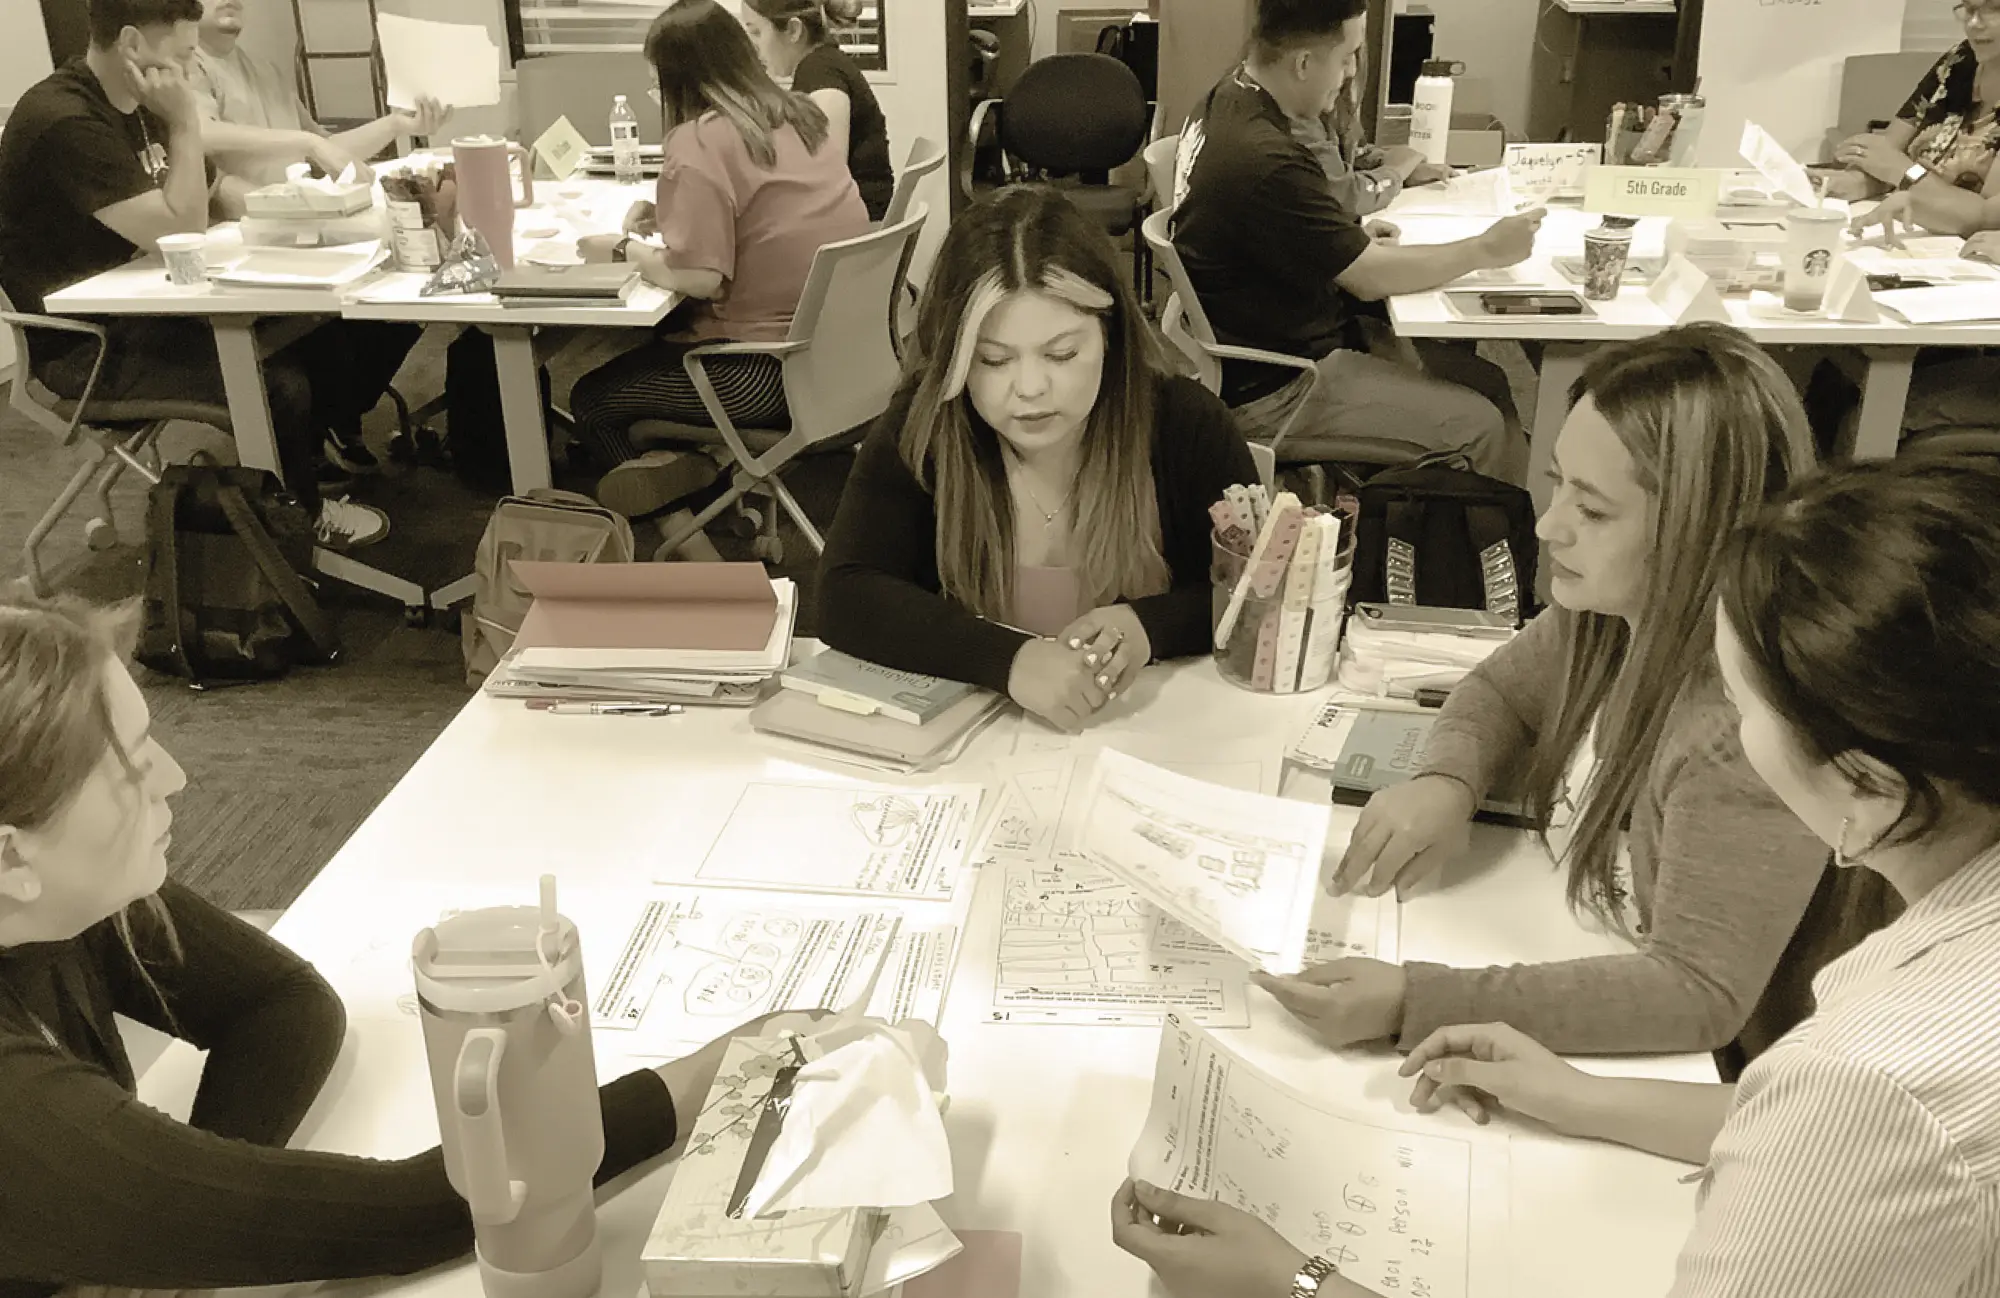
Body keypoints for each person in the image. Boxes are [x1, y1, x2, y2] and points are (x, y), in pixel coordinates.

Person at [1116, 452, 2000, 1297]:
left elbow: (1843, 1122)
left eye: (1742, 702)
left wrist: (1300, 1284)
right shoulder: (1929, 961)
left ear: (1868, 791)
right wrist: (1583, 1097)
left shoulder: (1875, 1076)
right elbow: (1800, 1129)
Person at [0, 590, 816, 1295]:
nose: (175, 777)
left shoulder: (56, 902)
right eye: (133, 769)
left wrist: (178, 1227)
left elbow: (280, 1007)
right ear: (13, 853)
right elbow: (422, 1210)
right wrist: (708, 1075)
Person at [1257, 325, 1834, 1067]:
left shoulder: (1742, 727)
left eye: (1593, 511)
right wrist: (1446, 780)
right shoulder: (1609, 612)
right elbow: (1501, 689)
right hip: (1589, 940)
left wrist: (1415, 1000)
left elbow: (1695, 995)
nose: (1547, 525)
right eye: (1558, 482)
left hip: (1748, 1081)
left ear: (1701, 530)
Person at [816, 186, 1259, 733]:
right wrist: (1008, 659)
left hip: (1158, 736)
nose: (1030, 388)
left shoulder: (1183, 424)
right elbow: (845, 594)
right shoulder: (927, 428)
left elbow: (1253, 594)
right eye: (993, 360)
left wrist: (1150, 626)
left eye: (1062, 354)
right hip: (981, 751)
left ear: (1111, 337)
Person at [0, 0, 386, 547]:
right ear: (133, 44)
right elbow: (175, 225)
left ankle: (283, 486)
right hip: (86, 347)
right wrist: (184, 121)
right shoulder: (67, 120)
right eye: (183, 56)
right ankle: (296, 523)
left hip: (149, 305)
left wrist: (295, 210)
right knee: (278, 383)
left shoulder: (138, 102)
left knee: (322, 337)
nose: (189, 72)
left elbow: (203, 197)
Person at [1171, 0, 1540, 483]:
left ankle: (1473, 525)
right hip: (1281, 384)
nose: (1348, 74)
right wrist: (1484, 250)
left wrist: (1334, 235)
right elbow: (1369, 279)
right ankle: (1481, 546)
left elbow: (1269, 226)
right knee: (1482, 427)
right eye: (1346, 57)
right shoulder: (1266, 157)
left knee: (1488, 382)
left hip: (1268, 339)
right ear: (1304, 63)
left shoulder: (1228, 96)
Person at [567, 0, 870, 520]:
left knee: (593, 399)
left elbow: (700, 278)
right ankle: (699, 469)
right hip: (844, 358)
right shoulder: (800, 116)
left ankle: (691, 526)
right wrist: (669, 217)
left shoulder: (699, 141)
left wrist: (623, 249)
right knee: (657, 346)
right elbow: (766, 217)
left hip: (761, 374)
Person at [191, 0, 451, 188]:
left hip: (301, 214)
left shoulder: (266, 71)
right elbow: (201, 133)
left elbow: (326, 149)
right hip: (242, 231)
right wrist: (308, 143)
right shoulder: (186, 66)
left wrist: (395, 125)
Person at [1829, 0, 2000, 237]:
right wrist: (1854, 182)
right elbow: (1890, 148)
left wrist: (1903, 172)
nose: (1973, 23)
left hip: (1960, 249)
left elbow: (1985, 218)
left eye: (1994, 9)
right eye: (1969, 9)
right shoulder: (1960, 59)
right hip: (1912, 224)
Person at [739, 0, 896, 221]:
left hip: (857, 230)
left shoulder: (822, 75)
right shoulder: (822, 64)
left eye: (756, 32)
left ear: (793, 30)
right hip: (860, 221)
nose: (753, 47)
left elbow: (827, 178)